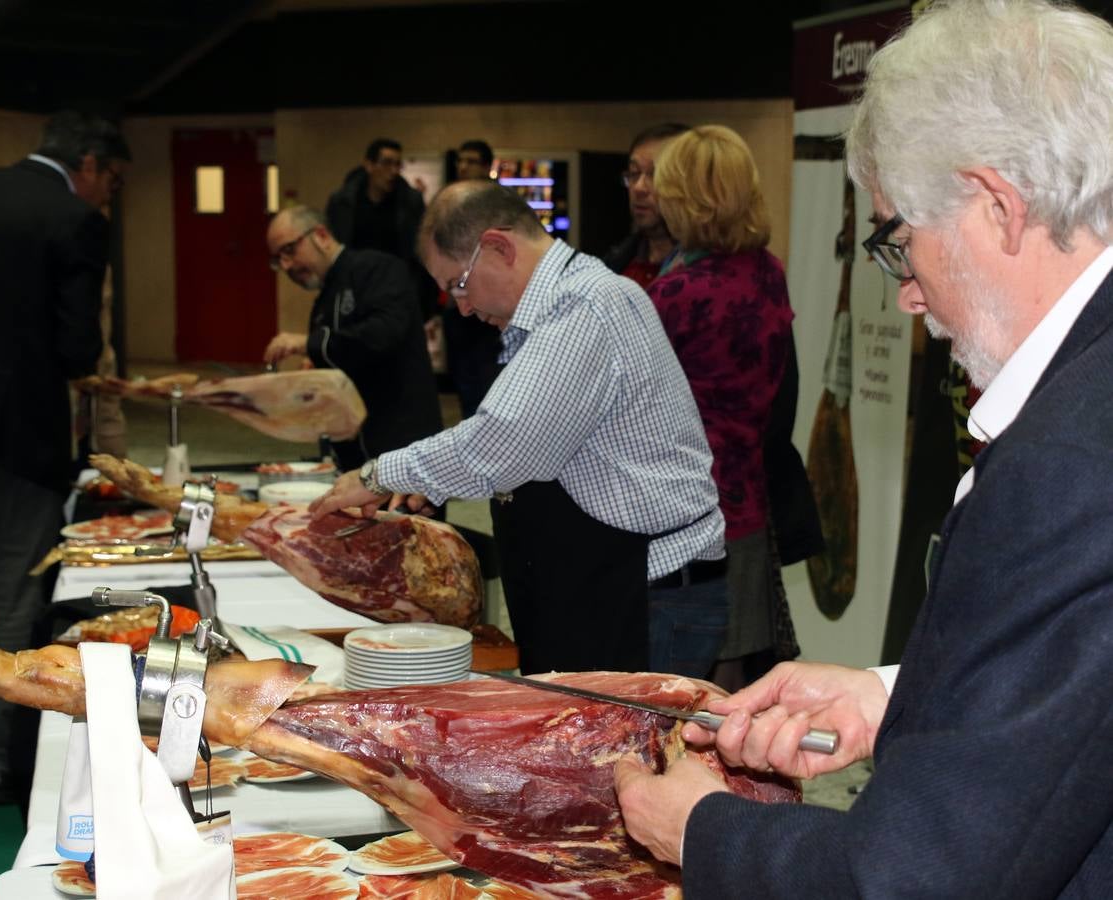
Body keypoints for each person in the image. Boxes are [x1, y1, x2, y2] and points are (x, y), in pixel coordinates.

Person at [613, 1, 1113, 895]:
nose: (908, 298)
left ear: (998, 207)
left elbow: (920, 878)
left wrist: (701, 831)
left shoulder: (1068, 461)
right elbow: (1077, 697)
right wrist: (893, 693)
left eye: (901, 240)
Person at [309, 179, 726, 675]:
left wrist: (377, 476)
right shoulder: (552, 312)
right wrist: (430, 479)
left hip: (644, 595)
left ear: (498, 247)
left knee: (636, 754)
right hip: (603, 586)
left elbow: (501, 443)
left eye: (458, 285)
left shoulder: (583, 308)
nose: (461, 306)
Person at [0, 109, 130, 805]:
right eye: (111, 182)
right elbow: (76, 350)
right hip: (19, 438)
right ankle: (5, 766)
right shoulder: (72, 220)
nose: (108, 197)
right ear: (87, 164)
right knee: (13, 598)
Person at [644, 125, 794, 681]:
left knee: (677, 693)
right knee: (730, 686)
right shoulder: (768, 272)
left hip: (682, 516)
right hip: (746, 500)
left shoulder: (674, 295)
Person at [262, 205, 443, 471]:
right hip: (354, 452)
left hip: (401, 443)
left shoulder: (378, 269)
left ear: (321, 235)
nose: (286, 265)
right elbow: (341, 354)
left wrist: (307, 344)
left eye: (290, 250)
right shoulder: (323, 302)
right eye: (279, 259)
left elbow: (384, 333)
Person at [325, 138, 438, 321]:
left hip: (396, 291)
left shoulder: (410, 203)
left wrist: (426, 305)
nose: (393, 171)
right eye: (386, 163)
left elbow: (421, 254)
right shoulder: (342, 203)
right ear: (369, 165)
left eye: (397, 164)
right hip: (354, 291)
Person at [444, 137, 502, 417]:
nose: (463, 166)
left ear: (487, 166)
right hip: (457, 310)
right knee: (466, 388)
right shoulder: (452, 202)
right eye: (460, 160)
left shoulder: (500, 205)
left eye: (471, 161)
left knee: (489, 388)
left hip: (490, 312)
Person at [602, 123, 689, 290]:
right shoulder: (615, 264)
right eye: (634, 173)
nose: (638, 188)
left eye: (655, 174)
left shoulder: (702, 271)